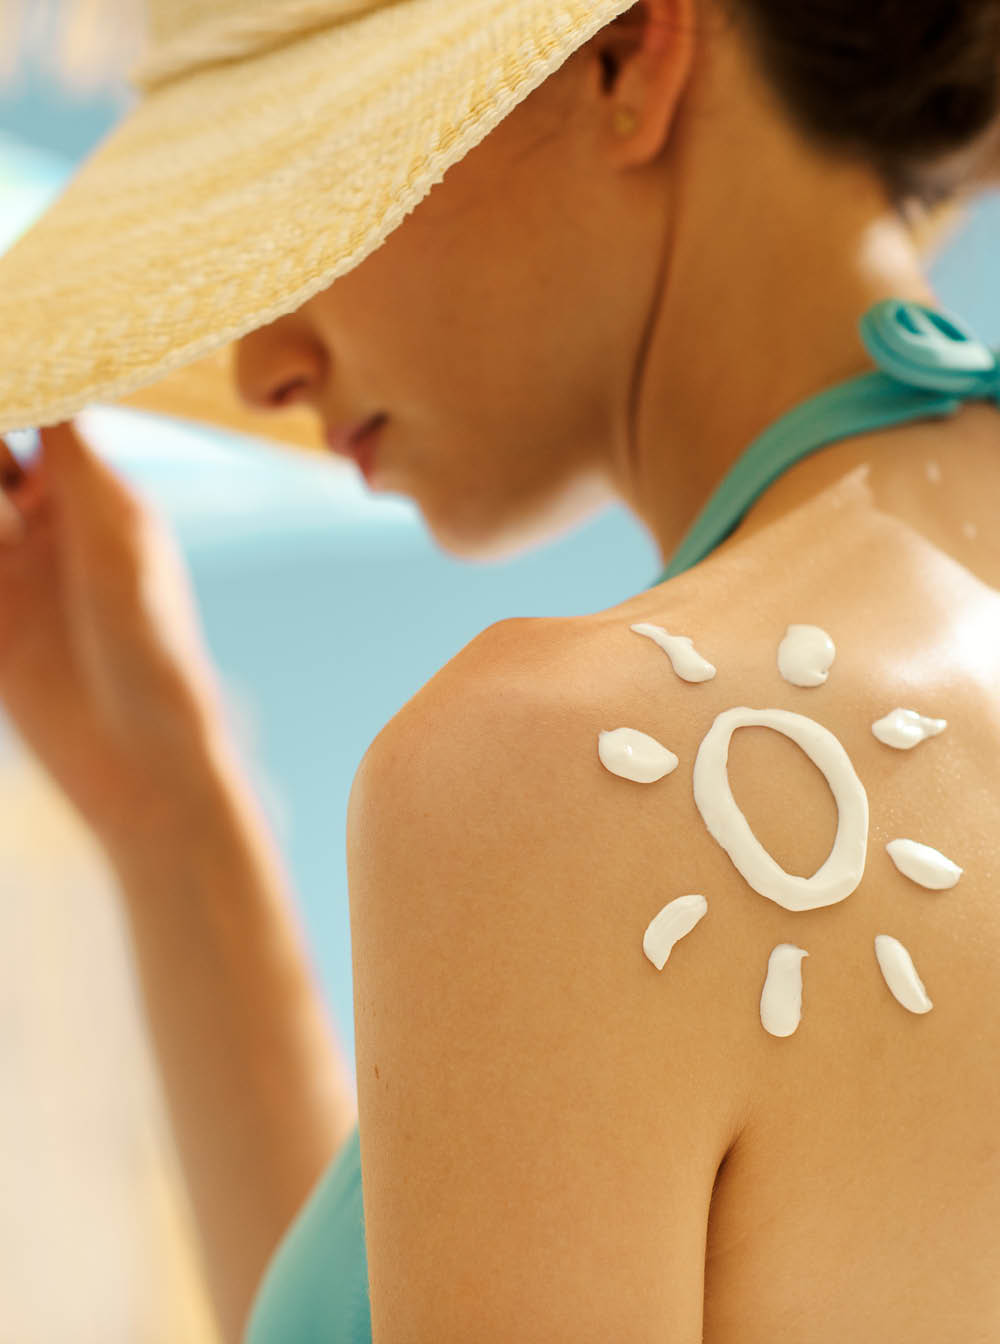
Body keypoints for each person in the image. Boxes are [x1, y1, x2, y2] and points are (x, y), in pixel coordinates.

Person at [1, 0, 999, 1340]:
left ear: (627, 57)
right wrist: (167, 812)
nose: (262, 365)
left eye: (313, 186)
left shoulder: (558, 779)